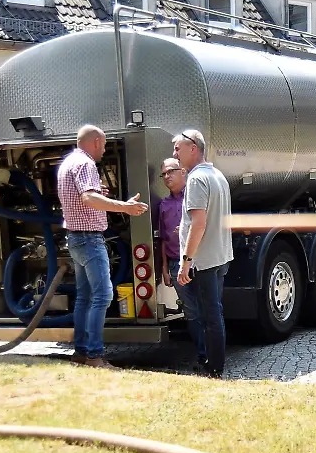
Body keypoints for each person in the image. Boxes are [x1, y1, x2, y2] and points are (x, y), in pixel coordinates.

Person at [57, 124, 149, 369]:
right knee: (103, 295)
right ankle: (95, 356)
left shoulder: (68, 162)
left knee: (84, 297)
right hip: (89, 239)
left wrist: (102, 194)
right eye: (105, 144)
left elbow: (84, 196)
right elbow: (88, 198)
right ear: (96, 141)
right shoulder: (86, 164)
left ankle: (81, 351)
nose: (105, 149)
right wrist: (125, 207)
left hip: (75, 238)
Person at [172, 129, 234, 378]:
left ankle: (214, 369)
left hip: (205, 260)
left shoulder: (197, 179)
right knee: (214, 312)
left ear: (193, 148)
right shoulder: (217, 174)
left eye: (178, 148)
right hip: (220, 256)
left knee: (210, 316)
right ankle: (213, 363)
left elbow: (198, 224)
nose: (174, 154)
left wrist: (186, 262)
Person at [158, 157, 205, 368]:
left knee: (209, 307)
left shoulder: (196, 197)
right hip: (177, 265)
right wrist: (165, 270)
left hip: (201, 261)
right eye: (164, 173)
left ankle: (214, 353)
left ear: (183, 172)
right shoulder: (163, 205)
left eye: (171, 171)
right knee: (191, 312)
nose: (167, 176)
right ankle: (203, 354)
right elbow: (162, 239)